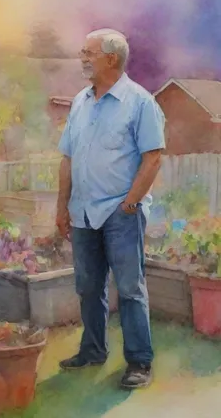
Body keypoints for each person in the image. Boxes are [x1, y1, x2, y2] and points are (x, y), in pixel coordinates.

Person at [56, 28, 165, 389]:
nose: (82, 58)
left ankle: (139, 362)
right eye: (82, 51)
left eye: (88, 52)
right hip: (83, 212)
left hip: (121, 213)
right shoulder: (80, 101)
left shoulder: (140, 102)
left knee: (130, 288)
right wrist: (62, 206)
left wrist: (130, 203)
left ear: (111, 58)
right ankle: (93, 350)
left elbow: (152, 159)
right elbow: (68, 158)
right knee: (88, 286)